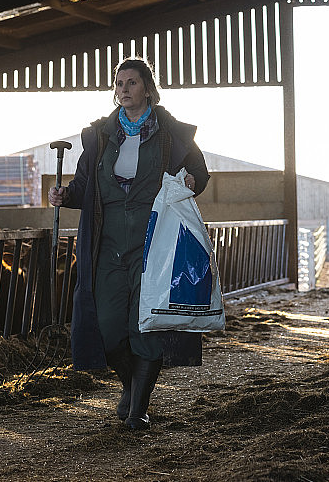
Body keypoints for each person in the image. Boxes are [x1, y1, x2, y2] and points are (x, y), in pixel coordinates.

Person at [48, 57, 210, 430]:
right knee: (105, 326)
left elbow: (199, 173)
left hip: (153, 245)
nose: (123, 89)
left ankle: (138, 409)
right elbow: (84, 185)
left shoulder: (171, 133)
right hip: (106, 246)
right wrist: (64, 195)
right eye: (119, 83)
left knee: (145, 325)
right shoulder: (101, 136)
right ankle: (131, 384)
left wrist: (190, 183)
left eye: (132, 82)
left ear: (148, 88)